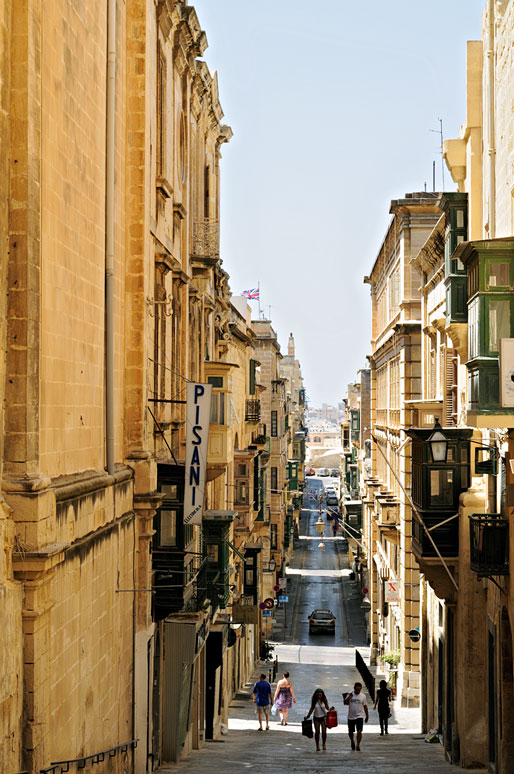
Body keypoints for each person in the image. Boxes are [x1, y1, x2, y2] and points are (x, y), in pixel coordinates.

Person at [344, 682, 369, 751]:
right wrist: (349, 697)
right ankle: (352, 741)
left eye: (359, 690)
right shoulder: (350, 694)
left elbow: (365, 706)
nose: (358, 691)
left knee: (359, 731)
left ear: (361, 689)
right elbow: (345, 703)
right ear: (354, 688)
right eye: (357, 689)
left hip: (359, 716)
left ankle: (358, 744)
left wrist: (367, 715)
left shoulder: (363, 696)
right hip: (351, 716)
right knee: (350, 732)